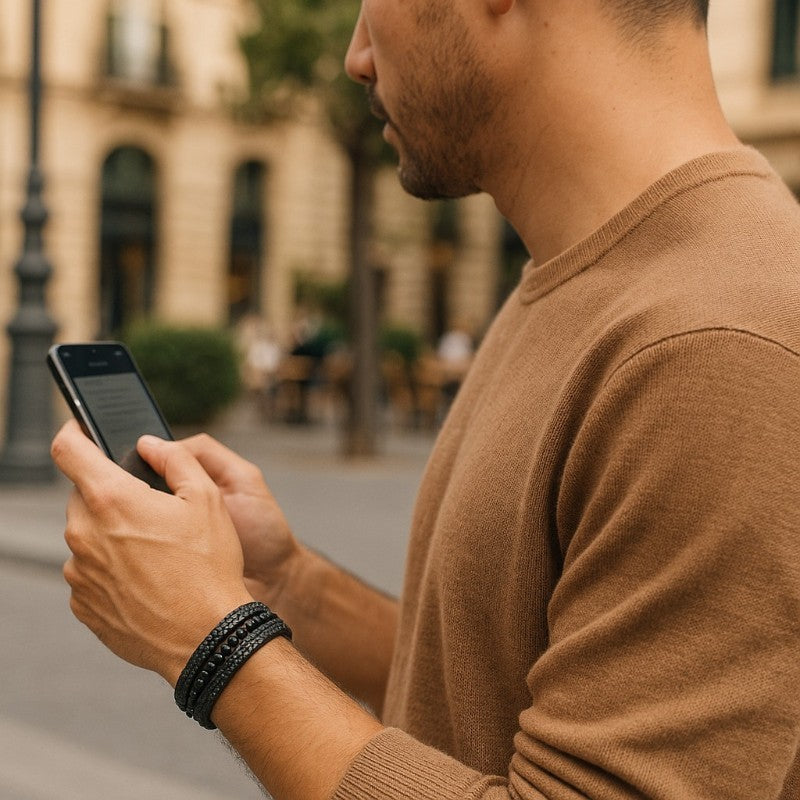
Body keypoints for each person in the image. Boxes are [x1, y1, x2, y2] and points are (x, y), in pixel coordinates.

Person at [51, 1, 800, 799]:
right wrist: (285, 587)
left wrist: (213, 641)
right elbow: (487, 688)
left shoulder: (716, 340)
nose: (356, 55)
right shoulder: (588, 275)